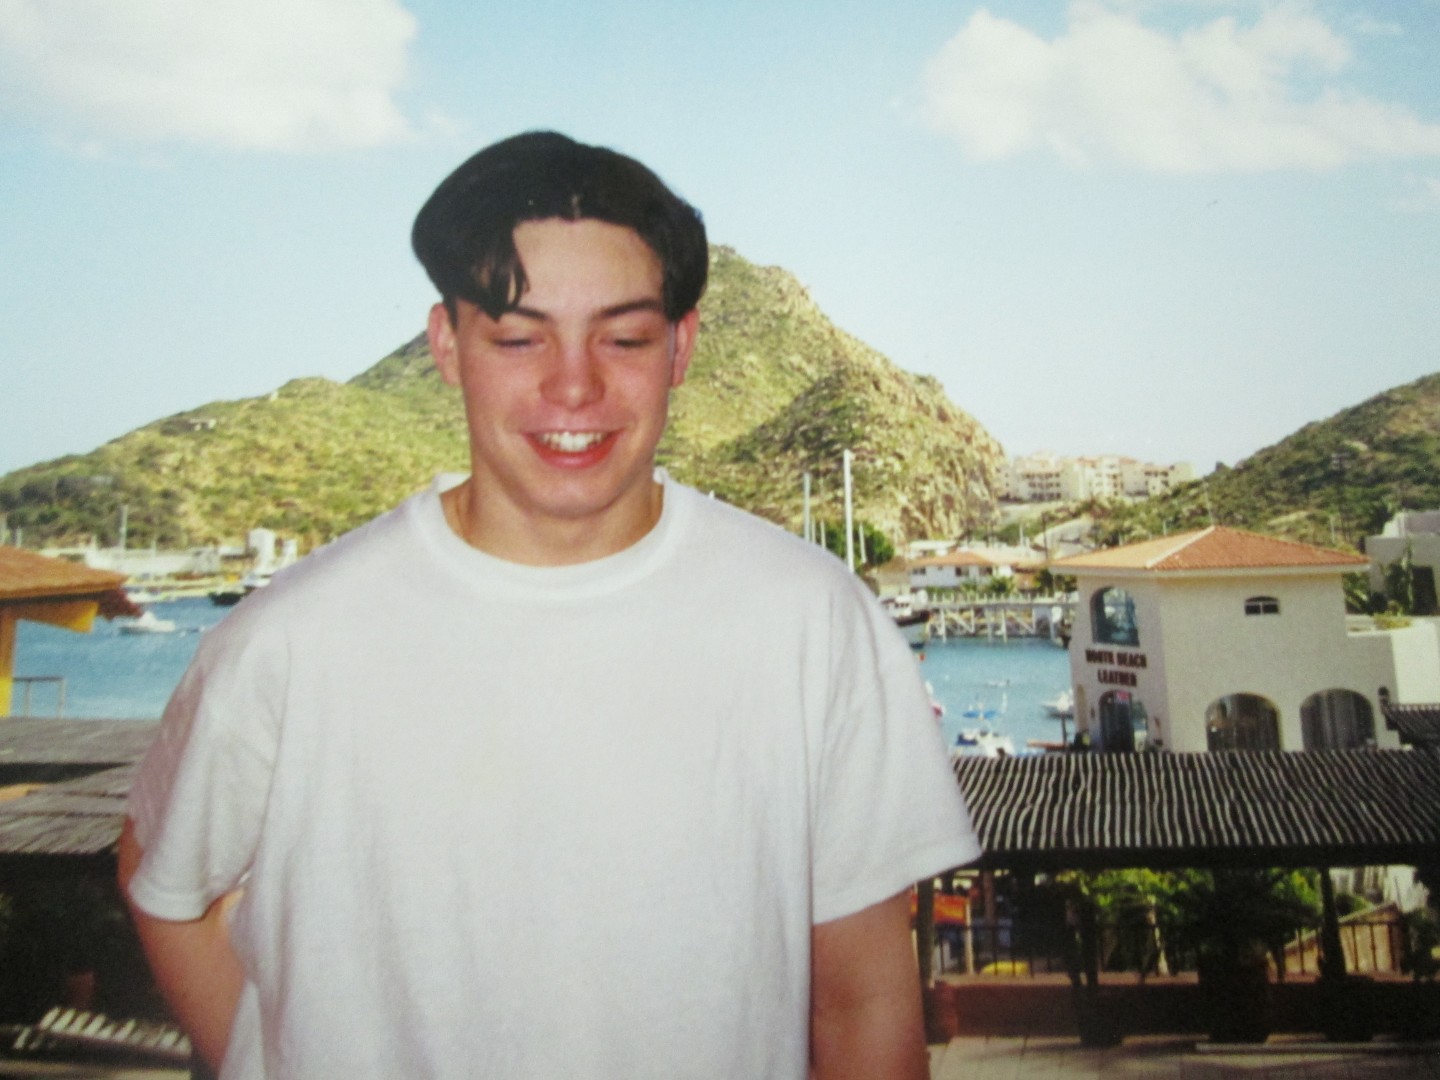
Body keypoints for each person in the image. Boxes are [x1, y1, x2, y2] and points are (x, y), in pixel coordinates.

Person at [118, 131, 979, 1080]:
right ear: (447, 345)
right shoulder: (292, 640)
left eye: (624, 337)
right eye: (519, 337)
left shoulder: (813, 623)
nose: (574, 385)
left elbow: (861, 1001)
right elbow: (162, 878)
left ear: (681, 347)